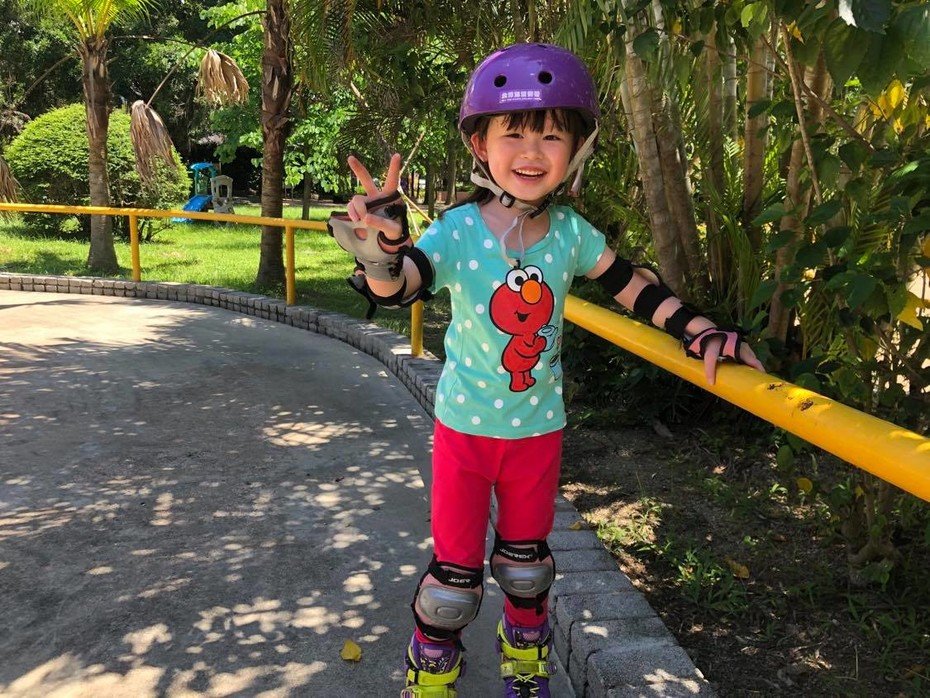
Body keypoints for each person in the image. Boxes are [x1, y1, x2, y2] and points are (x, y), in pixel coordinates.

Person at [327, 42, 764, 698]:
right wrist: (382, 251)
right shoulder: (457, 230)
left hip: (537, 434)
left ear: (576, 149)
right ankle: (432, 679)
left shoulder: (571, 234)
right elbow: (402, 286)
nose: (532, 152)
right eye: (514, 134)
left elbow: (633, 286)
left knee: (527, 571)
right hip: (465, 433)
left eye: (552, 136)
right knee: (453, 582)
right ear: (480, 143)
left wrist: (697, 328)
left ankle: (525, 673)